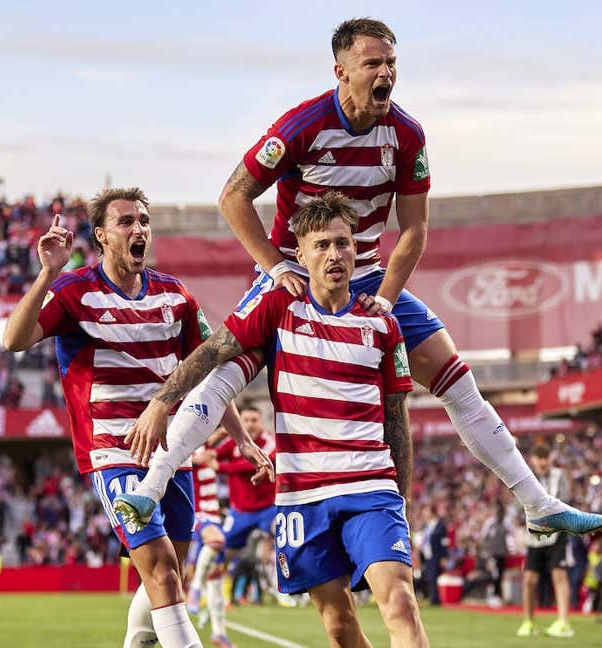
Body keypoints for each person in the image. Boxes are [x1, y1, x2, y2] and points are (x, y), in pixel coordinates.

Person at [118, 16, 602, 541]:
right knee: (225, 371)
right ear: (341, 71)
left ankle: (536, 502)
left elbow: (415, 229)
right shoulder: (302, 125)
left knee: (458, 381)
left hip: (367, 275)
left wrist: (389, 299)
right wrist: (276, 266)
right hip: (294, 275)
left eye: (391, 63)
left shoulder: (408, 134)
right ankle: (151, 488)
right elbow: (233, 196)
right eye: (372, 63)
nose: (385, 73)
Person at [123, 193, 429, 646]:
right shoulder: (279, 307)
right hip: (304, 496)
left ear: (357, 250)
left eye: (343, 244)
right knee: (340, 626)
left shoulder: (383, 325)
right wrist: (160, 403)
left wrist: (399, 499)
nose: (334, 255)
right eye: (322, 245)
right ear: (300, 254)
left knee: (400, 602)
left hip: (370, 487)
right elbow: (213, 351)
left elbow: (396, 418)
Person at [1, 187, 271, 648]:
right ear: (102, 236)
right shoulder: (74, 291)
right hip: (114, 451)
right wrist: (48, 272)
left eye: (143, 220)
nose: (138, 229)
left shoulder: (175, 295)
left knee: (169, 579)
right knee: (162, 571)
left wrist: (242, 439)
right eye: (126, 222)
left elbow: (205, 370)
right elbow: (14, 339)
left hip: (172, 454)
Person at [215, 404, 284, 603]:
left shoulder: (270, 441)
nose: (250, 424)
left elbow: (256, 462)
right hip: (240, 511)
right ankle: (218, 592)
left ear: (262, 422)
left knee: (277, 535)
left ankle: (281, 586)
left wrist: (219, 466)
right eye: (245, 420)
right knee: (220, 551)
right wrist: (219, 434)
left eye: (254, 420)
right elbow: (209, 452)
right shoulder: (232, 442)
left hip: (268, 508)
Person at [518, 445, 577, 638]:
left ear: (550, 459)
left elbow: (565, 501)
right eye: (539, 458)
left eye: (545, 458)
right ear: (533, 460)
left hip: (556, 534)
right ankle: (528, 622)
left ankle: (563, 622)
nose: (543, 462)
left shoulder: (559, 476)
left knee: (559, 576)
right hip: (534, 536)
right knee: (529, 579)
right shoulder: (526, 477)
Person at [186, 428, 233, 648]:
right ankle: (195, 588)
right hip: (196, 511)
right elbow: (170, 461)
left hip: (214, 515)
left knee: (215, 578)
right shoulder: (186, 445)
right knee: (217, 541)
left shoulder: (207, 444)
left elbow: (221, 432)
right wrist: (196, 460)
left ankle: (219, 633)